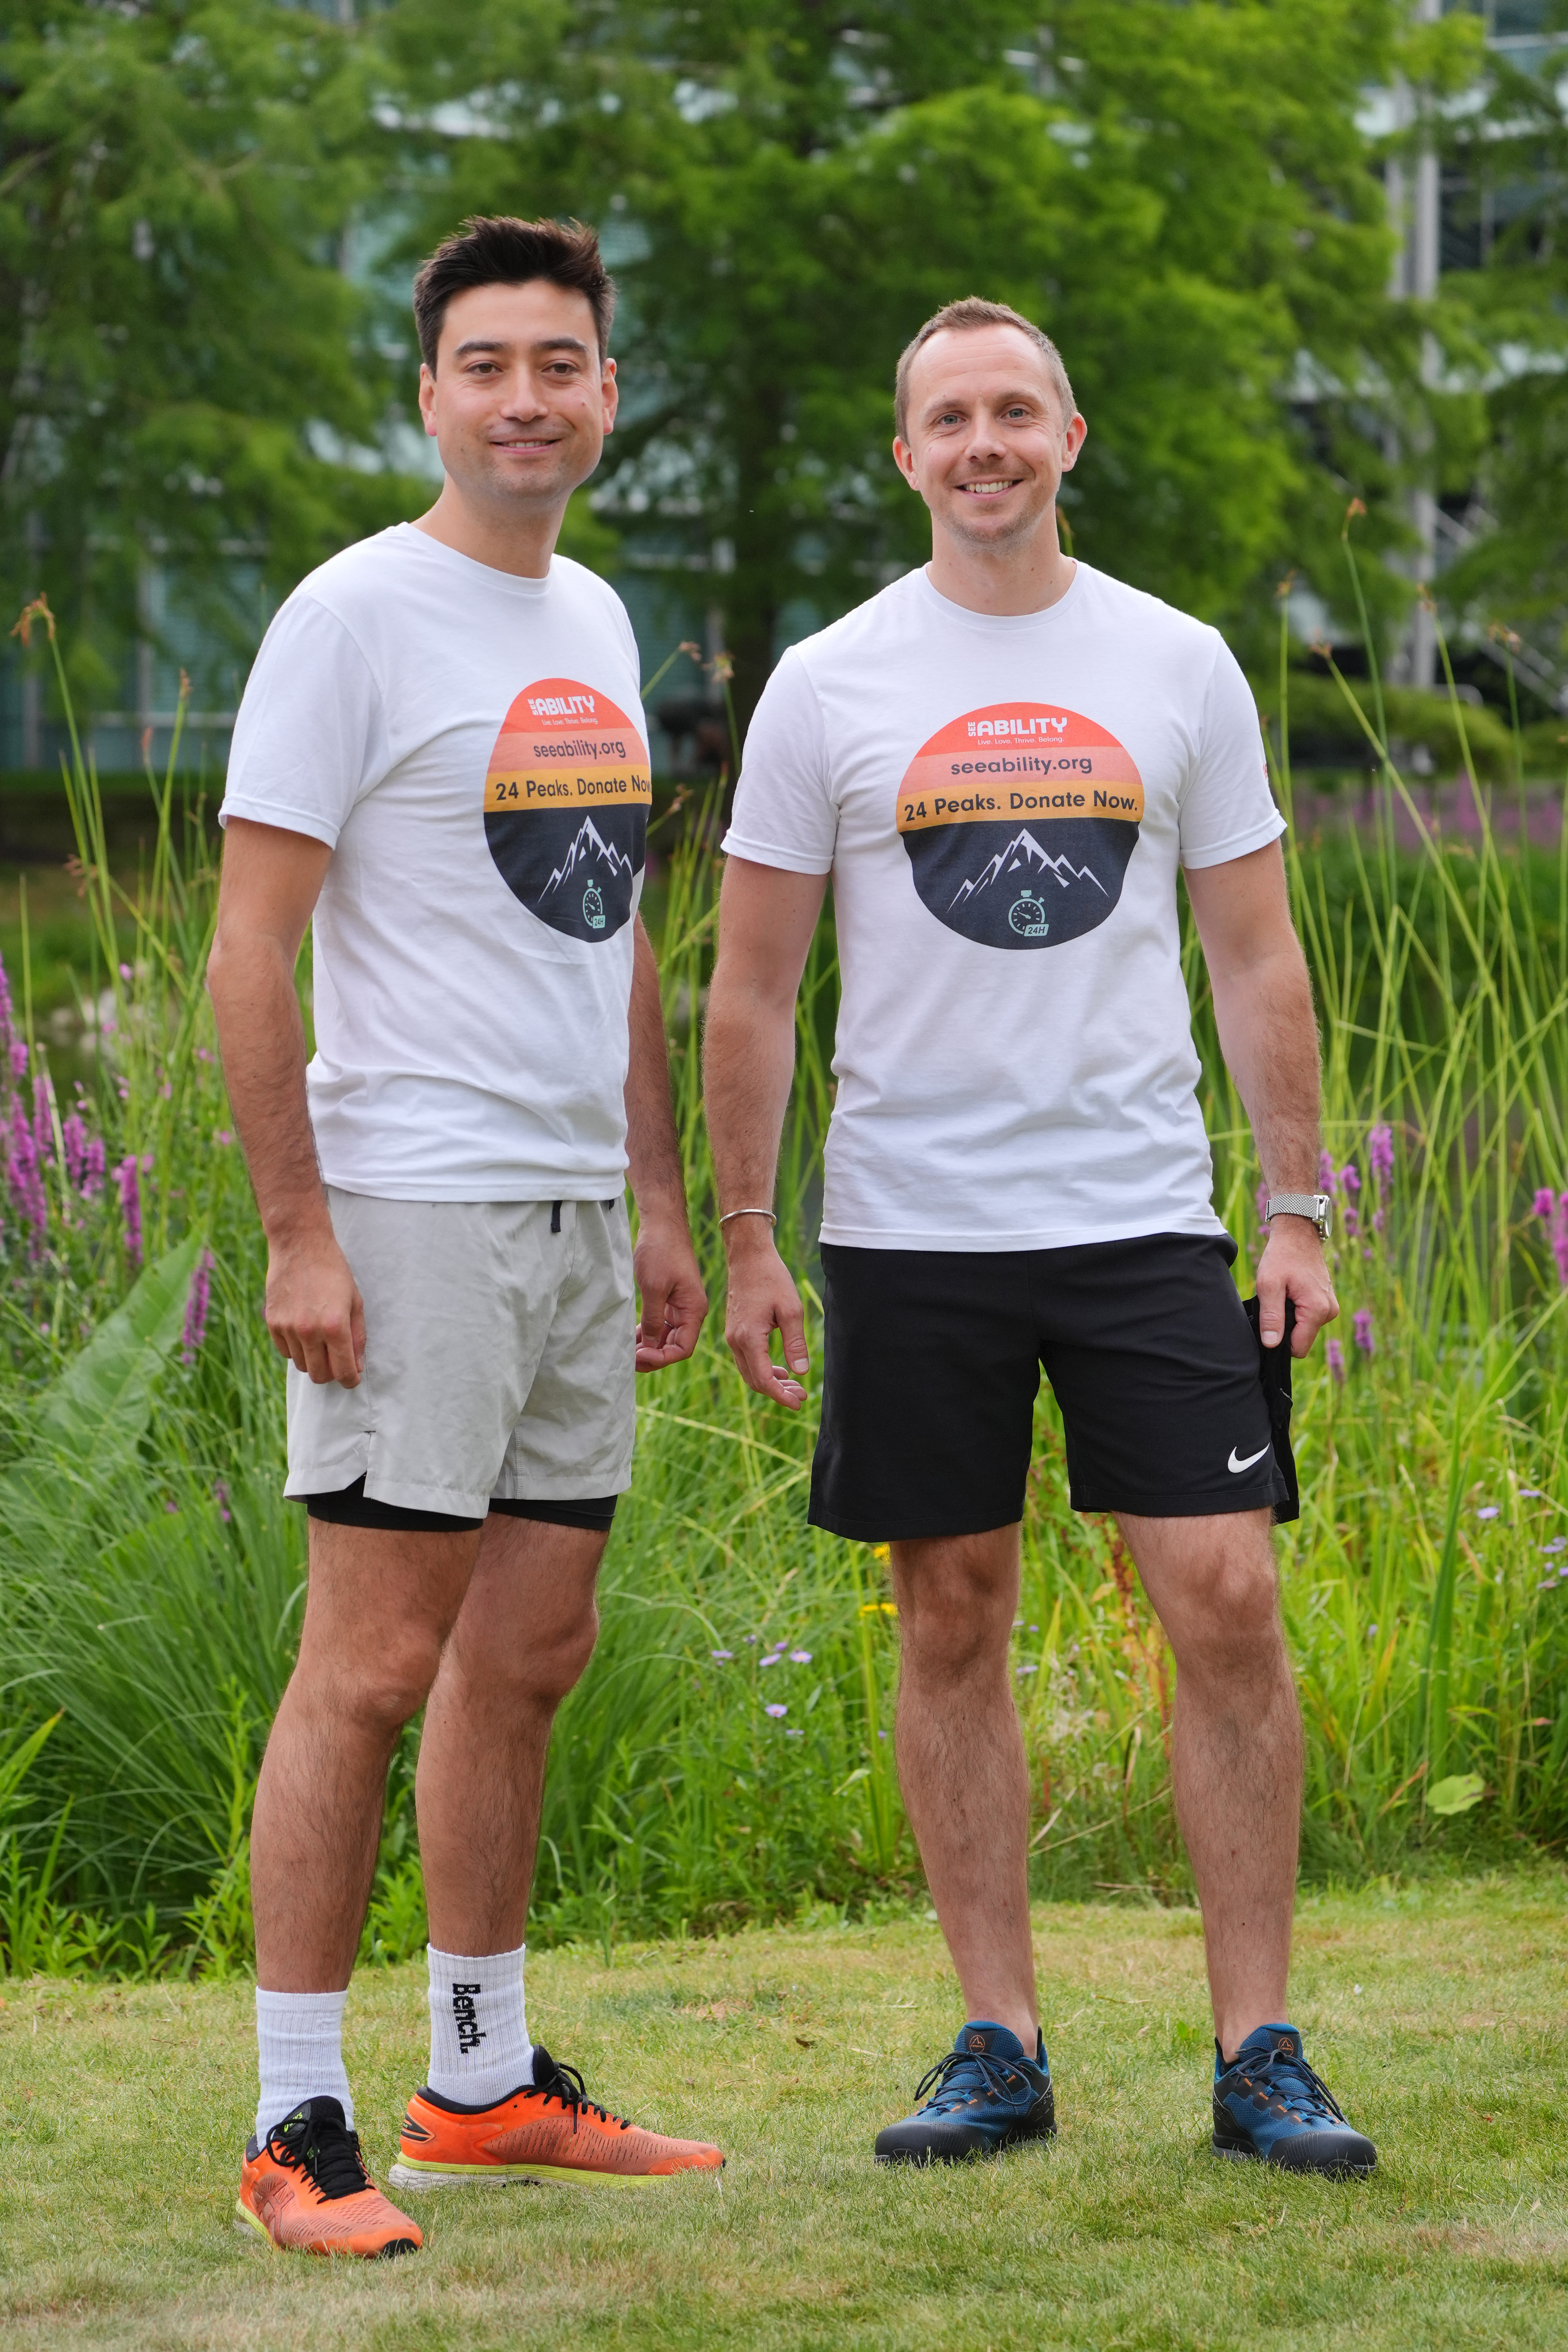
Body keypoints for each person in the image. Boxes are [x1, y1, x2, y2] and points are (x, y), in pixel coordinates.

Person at [703, 296, 1377, 2178]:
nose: (983, 443)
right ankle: (996, 2039)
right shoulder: (829, 683)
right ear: (903, 453)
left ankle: (1261, 2051)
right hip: (912, 1233)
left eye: (1016, 410)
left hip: (1142, 1218)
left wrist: (1300, 1202)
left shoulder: (1176, 664)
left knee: (1225, 1602)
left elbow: (1255, 954)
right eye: (948, 418)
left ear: (1069, 435)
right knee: (952, 1614)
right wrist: (751, 1231)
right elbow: (753, 991)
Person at [209, 216, 724, 2261]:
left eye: (566, 363)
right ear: (430, 392)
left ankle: (484, 2083)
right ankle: (291, 2122)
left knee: (531, 1651)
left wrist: (664, 1203)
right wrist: (296, 1230)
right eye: (489, 362)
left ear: (607, 396)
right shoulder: (353, 617)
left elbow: (610, 933)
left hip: (573, 1218)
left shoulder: (595, 617)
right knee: (374, 1662)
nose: (530, 395)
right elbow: (250, 944)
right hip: (405, 1207)